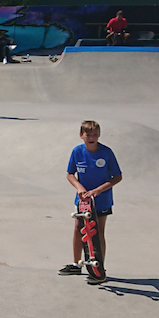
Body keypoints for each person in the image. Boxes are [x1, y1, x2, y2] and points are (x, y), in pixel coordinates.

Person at [59, 120, 122, 284]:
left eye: (95, 134)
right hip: (83, 199)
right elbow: (70, 174)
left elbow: (117, 177)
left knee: (97, 231)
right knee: (79, 229)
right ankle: (76, 264)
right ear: (81, 135)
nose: (92, 137)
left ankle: (99, 268)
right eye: (88, 134)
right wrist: (79, 187)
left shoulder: (106, 153)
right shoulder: (77, 152)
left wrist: (99, 190)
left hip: (101, 199)